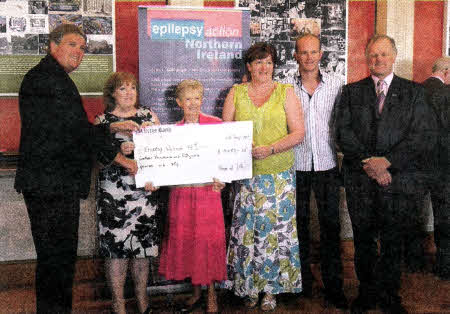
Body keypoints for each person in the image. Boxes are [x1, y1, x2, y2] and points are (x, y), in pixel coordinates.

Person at [14, 24, 138, 314]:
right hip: (51, 186)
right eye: (72, 45)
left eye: (82, 48)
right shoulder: (49, 80)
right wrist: (121, 160)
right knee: (57, 262)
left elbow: (72, 127)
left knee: (55, 261)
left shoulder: (49, 77)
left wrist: (111, 126)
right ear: (52, 46)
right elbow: (74, 132)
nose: (79, 52)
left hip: (51, 184)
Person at [335, 34, 436, 314]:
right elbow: (343, 133)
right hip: (362, 181)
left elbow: (422, 136)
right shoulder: (351, 92)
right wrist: (371, 164)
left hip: (399, 181)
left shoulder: (414, 93)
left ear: (394, 56)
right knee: (363, 241)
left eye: (383, 54)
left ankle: (390, 295)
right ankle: (366, 294)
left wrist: (388, 163)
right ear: (367, 59)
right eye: (373, 55)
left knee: (393, 242)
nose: (378, 60)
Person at [222, 42, 305, 311]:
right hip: (245, 177)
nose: (264, 67)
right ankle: (249, 287)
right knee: (249, 232)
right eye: (258, 62)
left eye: (268, 62)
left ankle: (270, 290)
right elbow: (225, 134)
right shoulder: (235, 93)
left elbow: (298, 133)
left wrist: (270, 148)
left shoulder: (286, 92)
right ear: (248, 65)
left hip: (278, 177)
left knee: (274, 234)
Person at [283, 33, 348, 309]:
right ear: (295, 56)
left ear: (321, 55)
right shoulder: (283, 87)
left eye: (313, 52)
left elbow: (344, 124)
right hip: (295, 164)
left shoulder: (337, 85)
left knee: (331, 227)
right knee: (298, 226)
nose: (308, 57)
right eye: (303, 52)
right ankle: (300, 284)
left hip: (327, 164)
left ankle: (335, 287)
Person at [158, 79, 227, 313]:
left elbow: (227, 159)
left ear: (202, 99)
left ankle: (211, 295)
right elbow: (164, 167)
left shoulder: (216, 125)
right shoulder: (171, 132)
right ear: (179, 102)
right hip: (182, 194)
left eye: (197, 98)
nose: (193, 103)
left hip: (208, 192)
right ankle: (196, 292)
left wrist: (223, 180)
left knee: (207, 242)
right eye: (187, 99)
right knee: (189, 242)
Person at [95, 72, 161, 314]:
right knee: (116, 250)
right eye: (122, 88)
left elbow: (164, 154)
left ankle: (143, 300)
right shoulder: (102, 121)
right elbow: (98, 161)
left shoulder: (148, 116)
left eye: (132, 87)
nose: (129, 92)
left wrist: (158, 176)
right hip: (114, 195)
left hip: (145, 193)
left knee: (143, 250)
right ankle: (118, 303)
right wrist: (119, 149)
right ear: (112, 93)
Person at [422, 57, 450, 280]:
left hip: (417, 164)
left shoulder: (416, 91)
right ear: (447, 71)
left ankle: (412, 262)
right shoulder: (447, 94)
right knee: (444, 216)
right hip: (444, 165)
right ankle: (444, 265)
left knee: (412, 213)